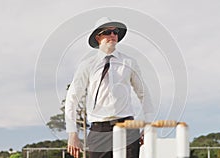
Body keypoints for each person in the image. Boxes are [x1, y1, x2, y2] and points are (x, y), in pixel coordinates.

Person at [65, 17, 155, 158]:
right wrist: (72, 133)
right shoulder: (87, 65)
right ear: (98, 37)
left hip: (127, 128)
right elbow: (72, 98)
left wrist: (148, 126)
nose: (112, 35)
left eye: (115, 32)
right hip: (98, 130)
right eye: (107, 32)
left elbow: (144, 94)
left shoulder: (129, 62)